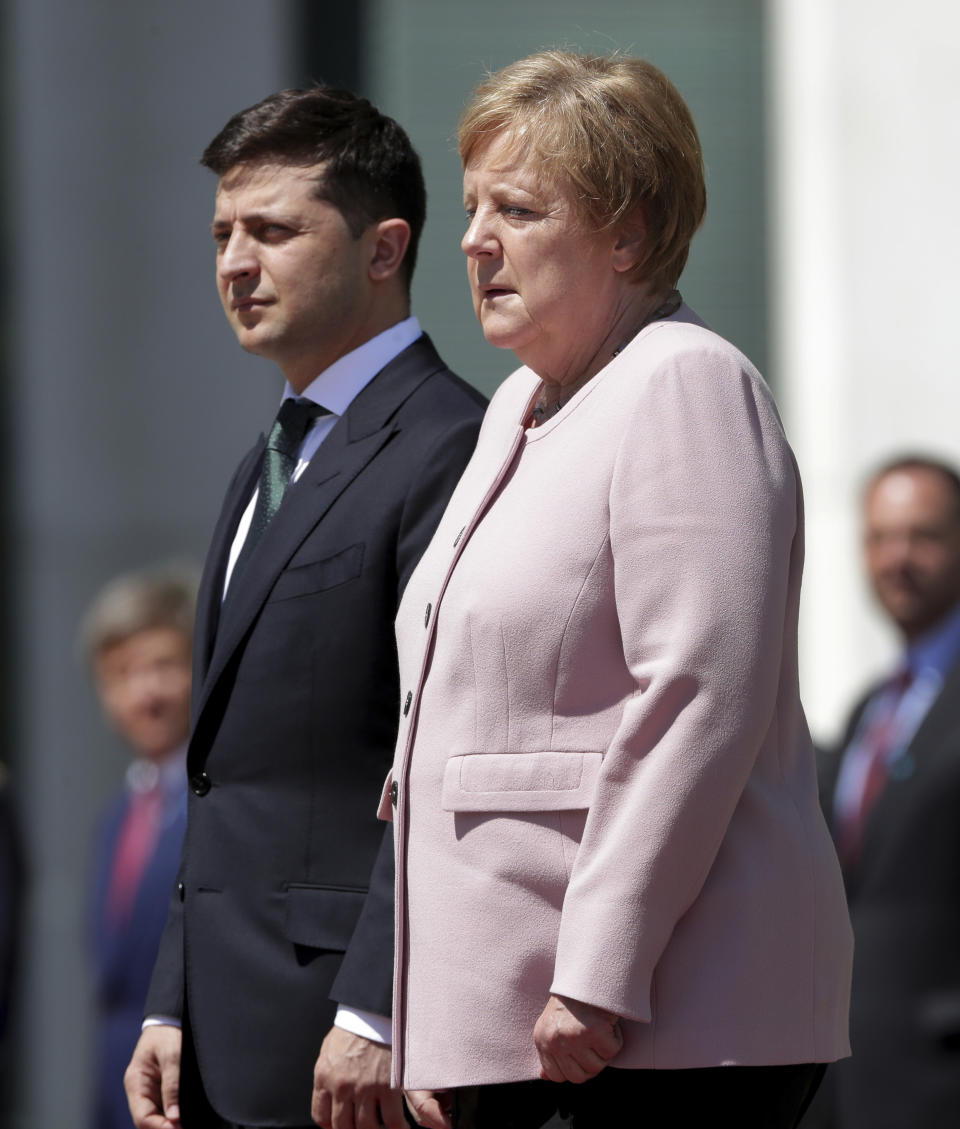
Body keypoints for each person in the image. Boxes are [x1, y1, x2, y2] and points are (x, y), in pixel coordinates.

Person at [382, 51, 853, 1129]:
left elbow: (697, 695)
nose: (473, 238)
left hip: (657, 1020)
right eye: (470, 208)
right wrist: (429, 1011)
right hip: (523, 1021)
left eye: (518, 207)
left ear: (627, 233)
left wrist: (598, 970)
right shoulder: (518, 408)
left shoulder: (686, 381)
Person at [123, 87, 486, 1129]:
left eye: (273, 230)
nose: (235, 262)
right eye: (224, 233)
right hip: (221, 1042)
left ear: (384, 250)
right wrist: (172, 997)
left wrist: (376, 1006)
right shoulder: (262, 463)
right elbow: (225, 769)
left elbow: (440, 752)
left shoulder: (448, 445)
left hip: (348, 1049)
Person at [812, 456, 960, 1129]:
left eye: (923, 535)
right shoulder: (872, 709)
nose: (897, 557)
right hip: (848, 1087)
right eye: (879, 537)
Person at [81, 564, 197, 1129]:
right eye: (121, 673)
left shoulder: (218, 809)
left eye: (162, 665)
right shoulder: (117, 816)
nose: (143, 693)